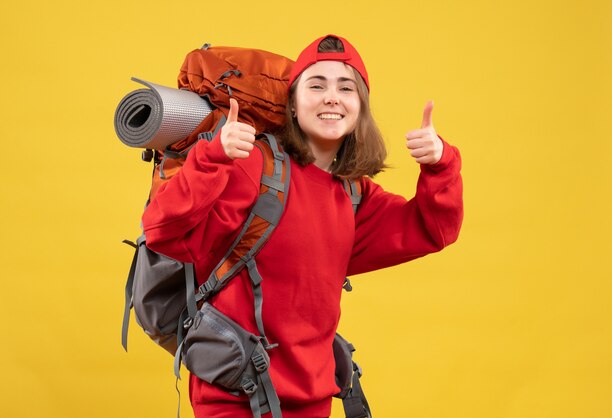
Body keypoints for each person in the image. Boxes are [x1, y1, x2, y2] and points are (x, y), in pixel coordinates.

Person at [142, 34, 463, 418]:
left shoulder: (353, 194)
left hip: (314, 399)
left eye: (347, 87)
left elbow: (432, 229)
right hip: (235, 397)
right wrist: (212, 158)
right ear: (292, 104)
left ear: (360, 108)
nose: (332, 97)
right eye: (317, 85)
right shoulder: (255, 167)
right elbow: (164, 231)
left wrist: (441, 164)